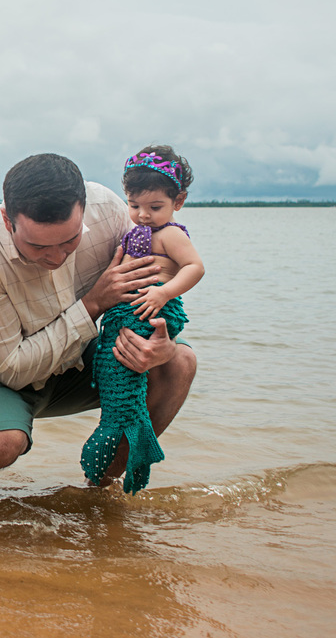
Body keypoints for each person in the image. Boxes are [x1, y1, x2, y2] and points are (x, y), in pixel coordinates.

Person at [0, 153, 197, 483]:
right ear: (7, 220)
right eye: (37, 246)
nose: (56, 256)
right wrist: (92, 304)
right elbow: (10, 370)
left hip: (78, 356)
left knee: (179, 362)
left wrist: (162, 344)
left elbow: (155, 287)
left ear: (84, 209)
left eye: (70, 241)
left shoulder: (108, 210)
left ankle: (99, 488)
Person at [81, 145, 204, 493]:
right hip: (125, 314)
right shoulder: (133, 232)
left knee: (128, 377)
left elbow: (195, 267)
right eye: (134, 205)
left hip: (153, 313)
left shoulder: (172, 234)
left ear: (178, 201)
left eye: (155, 207)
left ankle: (123, 437)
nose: (143, 215)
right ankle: (120, 433)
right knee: (114, 370)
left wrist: (164, 293)